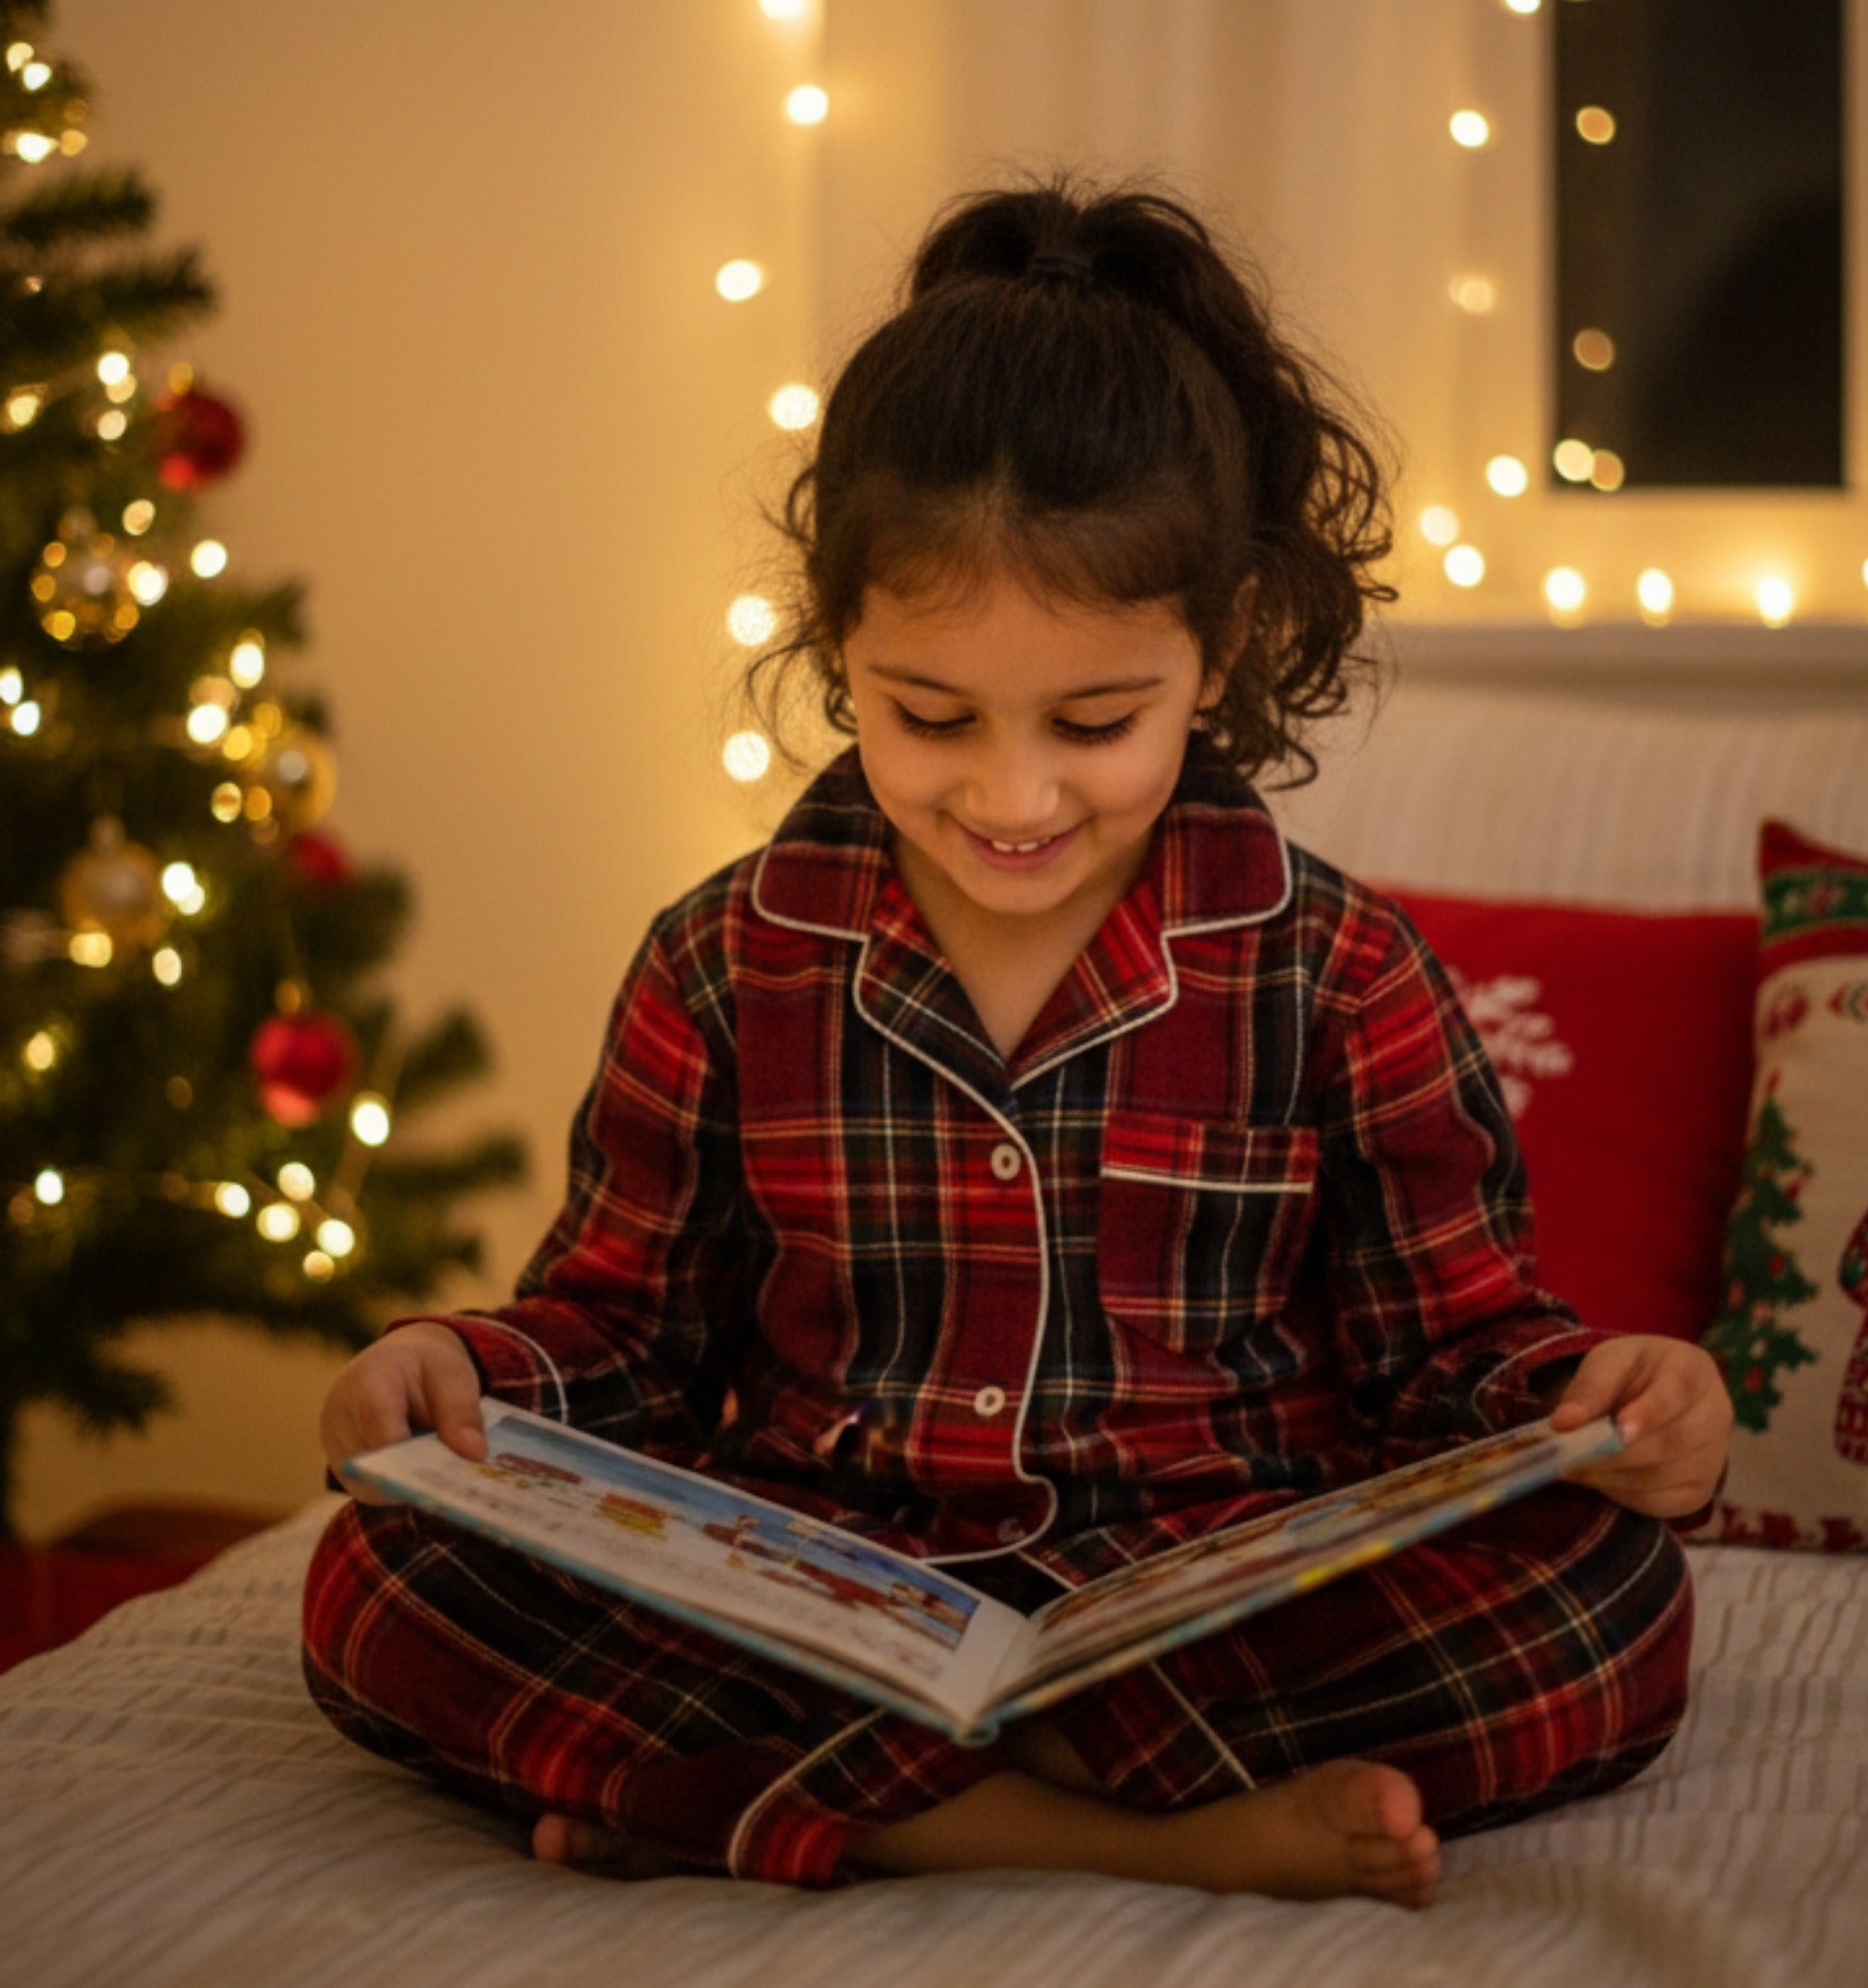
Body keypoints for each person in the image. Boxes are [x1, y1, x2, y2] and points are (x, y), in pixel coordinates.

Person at [304, 174, 1731, 1908]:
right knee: (381, 1586)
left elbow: (1459, 1361)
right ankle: (1108, 1833)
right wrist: (464, 1373)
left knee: (1614, 1600)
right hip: (834, 1590)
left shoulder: (1339, 967)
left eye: (1095, 720)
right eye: (931, 715)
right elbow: (625, 1342)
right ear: (840, 653)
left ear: (1221, 654)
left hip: (1210, 1600)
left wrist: (1615, 1410)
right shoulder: (726, 956)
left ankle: (762, 1803)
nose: (1013, 792)